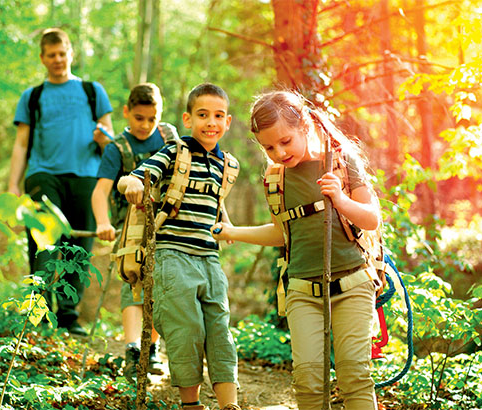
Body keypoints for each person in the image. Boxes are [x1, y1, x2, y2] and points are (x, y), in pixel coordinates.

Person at [212, 90, 382, 410]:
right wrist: (233, 231)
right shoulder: (275, 178)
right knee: (308, 380)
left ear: (304, 124)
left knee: (355, 376)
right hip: (303, 289)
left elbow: (371, 218)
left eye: (286, 141)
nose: (278, 152)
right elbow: (282, 233)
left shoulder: (342, 160)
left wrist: (341, 201)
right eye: (269, 147)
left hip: (352, 284)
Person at [118, 83, 241, 410]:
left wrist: (226, 226)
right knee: (186, 329)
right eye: (202, 115)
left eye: (218, 116)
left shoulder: (227, 164)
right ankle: (192, 404)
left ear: (227, 122)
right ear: (188, 119)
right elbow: (139, 176)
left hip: (210, 259)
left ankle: (230, 404)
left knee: (220, 330)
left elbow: (215, 199)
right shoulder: (175, 151)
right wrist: (130, 182)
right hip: (173, 255)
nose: (210, 122)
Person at [8, 27, 114, 337]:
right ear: (42, 58)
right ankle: (38, 311)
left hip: (86, 177)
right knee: (43, 242)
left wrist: (102, 137)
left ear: (71, 54)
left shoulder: (93, 91)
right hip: (43, 174)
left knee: (78, 245)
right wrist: (13, 184)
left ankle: (68, 315)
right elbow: (20, 143)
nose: (58, 59)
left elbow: (109, 137)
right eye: (51, 55)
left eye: (62, 53)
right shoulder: (33, 96)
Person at [91, 82, 174, 379]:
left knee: (159, 285)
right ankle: (132, 349)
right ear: (126, 113)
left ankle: (152, 349)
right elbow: (100, 192)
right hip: (130, 227)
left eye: (152, 118)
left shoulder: (169, 137)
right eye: (139, 118)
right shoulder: (118, 148)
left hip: (166, 224)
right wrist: (103, 222)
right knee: (133, 282)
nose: (146, 125)